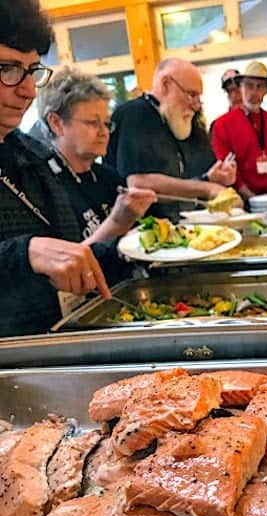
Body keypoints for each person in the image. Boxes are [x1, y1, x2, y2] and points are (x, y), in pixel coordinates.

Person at [0, 0, 129, 337]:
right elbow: (27, 255)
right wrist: (23, 253)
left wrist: (126, 253)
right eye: (7, 69)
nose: (27, 90)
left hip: (49, 344)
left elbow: (68, 249)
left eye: (32, 71)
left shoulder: (32, 155)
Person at [106, 58, 237, 220]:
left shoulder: (188, 120)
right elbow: (138, 183)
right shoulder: (135, 113)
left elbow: (195, 179)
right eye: (191, 95)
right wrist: (205, 187)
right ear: (166, 84)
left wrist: (213, 177)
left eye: (198, 97)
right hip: (144, 230)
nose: (196, 105)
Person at [36, 66, 156, 243]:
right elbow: (63, 263)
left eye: (106, 123)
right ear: (56, 123)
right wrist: (117, 223)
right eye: (92, 123)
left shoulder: (108, 178)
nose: (104, 132)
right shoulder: (42, 185)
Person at [211, 61, 267, 200]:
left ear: (266, 91)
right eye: (249, 85)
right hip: (241, 200)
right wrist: (251, 198)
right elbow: (226, 166)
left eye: (260, 86)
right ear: (241, 88)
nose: (254, 92)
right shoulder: (222, 124)